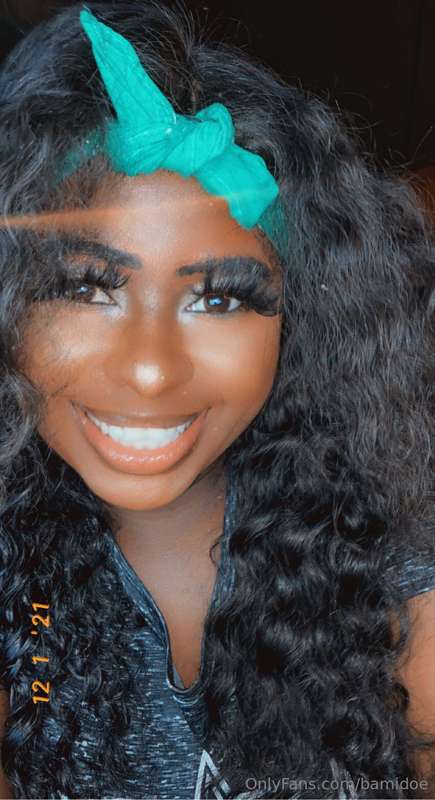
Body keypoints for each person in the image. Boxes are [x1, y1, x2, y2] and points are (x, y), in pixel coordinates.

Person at [1, 2, 435, 798]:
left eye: (220, 298)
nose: (150, 372)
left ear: (298, 325)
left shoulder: (399, 563)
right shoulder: (16, 595)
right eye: (85, 287)